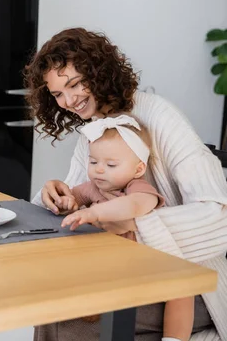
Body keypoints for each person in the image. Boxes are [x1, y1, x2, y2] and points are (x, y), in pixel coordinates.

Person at [24, 27, 227, 340]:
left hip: (192, 282)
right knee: (52, 300)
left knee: (70, 318)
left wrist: (131, 229)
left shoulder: (161, 117)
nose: (69, 100)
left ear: (100, 72)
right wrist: (54, 195)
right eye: (57, 94)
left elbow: (219, 218)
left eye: (75, 84)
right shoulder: (92, 131)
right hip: (124, 269)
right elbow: (80, 200)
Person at [57, 114, 194, 341]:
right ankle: (90, 304)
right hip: (103, 259)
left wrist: (95, 212)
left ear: (138, 169)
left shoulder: (138, 187)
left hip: (141, 260)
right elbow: (73, 196)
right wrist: (66, 202)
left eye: (111, 164)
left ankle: (174, 339)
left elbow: (135, 205)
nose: (99, 170)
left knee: (182, 288)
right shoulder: (93, 187)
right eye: (93, 162)